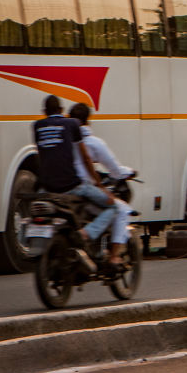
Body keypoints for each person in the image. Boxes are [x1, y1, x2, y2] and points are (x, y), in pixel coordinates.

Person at [32, 95, 115, 259]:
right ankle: (86, 233)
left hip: (47, 187)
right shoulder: (72, 124)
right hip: (71, 186)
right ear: (62, 111)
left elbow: (42, 153)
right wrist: (99, 185)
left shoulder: (37, 126)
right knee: (112, 206)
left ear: (44, 111)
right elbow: (85, 158)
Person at [68, 103, 134, 266]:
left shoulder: (64, 142)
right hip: (83, 189)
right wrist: (129, 172)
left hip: (63, 188)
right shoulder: (93, 143)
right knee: (119, 209)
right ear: (88, 120)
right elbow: (115, 170)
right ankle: (113, 257)